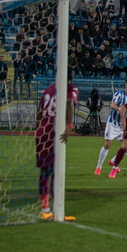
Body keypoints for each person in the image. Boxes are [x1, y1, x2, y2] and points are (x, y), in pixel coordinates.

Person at [37, 69, 78, 221]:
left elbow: (39, 111)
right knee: (56, 172)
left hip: (43, 132)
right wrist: (69, 126)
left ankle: (46, 209)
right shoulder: (69, 89)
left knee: (45, 171)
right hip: (55, 132)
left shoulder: (48, 89)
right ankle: (55, 210)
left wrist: (39, 129)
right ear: (70, 78)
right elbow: (68, 103)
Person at [94, 78, 127, 175]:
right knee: (107, 144)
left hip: (125, 125)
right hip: (113, 123)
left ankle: (114, 161)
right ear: (126, 84)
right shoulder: (119, 94)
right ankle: (99, 167)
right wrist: (121, 109)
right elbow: (112, 105)